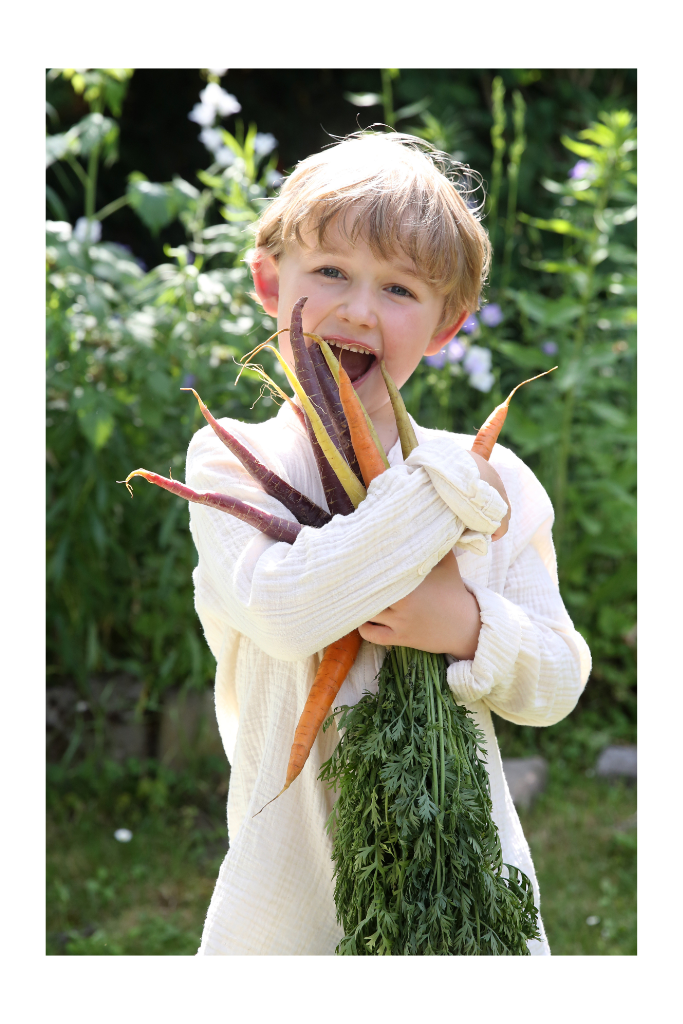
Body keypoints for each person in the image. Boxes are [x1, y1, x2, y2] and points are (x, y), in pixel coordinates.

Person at [187, 131, 591, 956]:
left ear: (446, 327)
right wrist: (434, 494)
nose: (359, 308)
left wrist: (471, 628)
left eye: (399, 288)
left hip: (462, 879)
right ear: (271, 282)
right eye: (330, 271)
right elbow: (286, 610)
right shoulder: (239, 459)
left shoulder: (496, 478)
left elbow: (556, 680)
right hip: (284, 883)